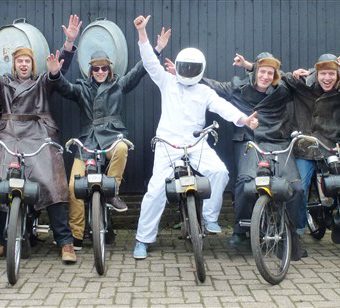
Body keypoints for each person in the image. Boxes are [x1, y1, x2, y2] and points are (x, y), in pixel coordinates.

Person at [133, 15, 258, 259]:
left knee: (220, 172)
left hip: (196, 144)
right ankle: (142, 239)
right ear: (179, 66)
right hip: (167, 145)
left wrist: (244, 119)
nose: (188, 72)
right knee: (155, 190)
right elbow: (149, 62)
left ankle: (209, 219)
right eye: (185, 67)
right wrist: (142, 33)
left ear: (199, 70)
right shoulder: (167, 82)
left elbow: (224, 107)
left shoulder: (204, 91)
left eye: (193, 68)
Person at [164, 52, 306, 258]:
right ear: (255, 71)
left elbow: (306, 78)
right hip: (248, 140)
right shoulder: (238, 88)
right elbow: (214, 85)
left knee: (297, 188)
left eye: (270, 72)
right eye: (262, 71)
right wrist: (182, 74)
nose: (265, 76)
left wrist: (253, 65)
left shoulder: (283, 89)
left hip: (278, 140)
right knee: (244, 182)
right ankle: (241, 229)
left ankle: (291, 235)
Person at [45, 26, 171, 250]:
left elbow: (140, 70)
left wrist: (157, 49)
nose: (100, 71)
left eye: (104, 68)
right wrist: (55, 73)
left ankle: (112, 192)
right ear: (90, 71)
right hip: (87, 143)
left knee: (122, 148)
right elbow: (63, 87)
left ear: (109, 69)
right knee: (74, 185)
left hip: (112, 137)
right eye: (96, 69)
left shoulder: (118, 85)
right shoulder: (81, 88)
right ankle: (76, 234)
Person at [0, 14, 82, 261]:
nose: (23, 65)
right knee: (1, 180)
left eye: (27, 61)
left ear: (32, 64)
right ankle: (3, 240)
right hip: (7, 134)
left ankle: (65, 242)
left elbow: (56, 72)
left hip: (38, 136)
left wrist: (68, 45)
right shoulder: (3, 83)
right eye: (19, 61)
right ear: (13, 65)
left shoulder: (40, 83)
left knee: (52, 179)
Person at [281, 54, 340, 241]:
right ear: (317, 73)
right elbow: (276, 76)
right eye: (323, 73)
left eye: (332, 73)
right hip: (305, 147)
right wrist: (291, 74)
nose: (327, 78)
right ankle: (296, 233)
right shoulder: (303, 85)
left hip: (331, 147)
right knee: (300, 187)